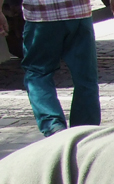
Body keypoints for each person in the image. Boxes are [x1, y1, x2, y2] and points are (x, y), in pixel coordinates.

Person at [20, 0, 100, 136]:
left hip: (41, 15)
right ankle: (84, 131)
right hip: (78, 13)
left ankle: (53, 126)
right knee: (86, 76)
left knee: (38, 74)